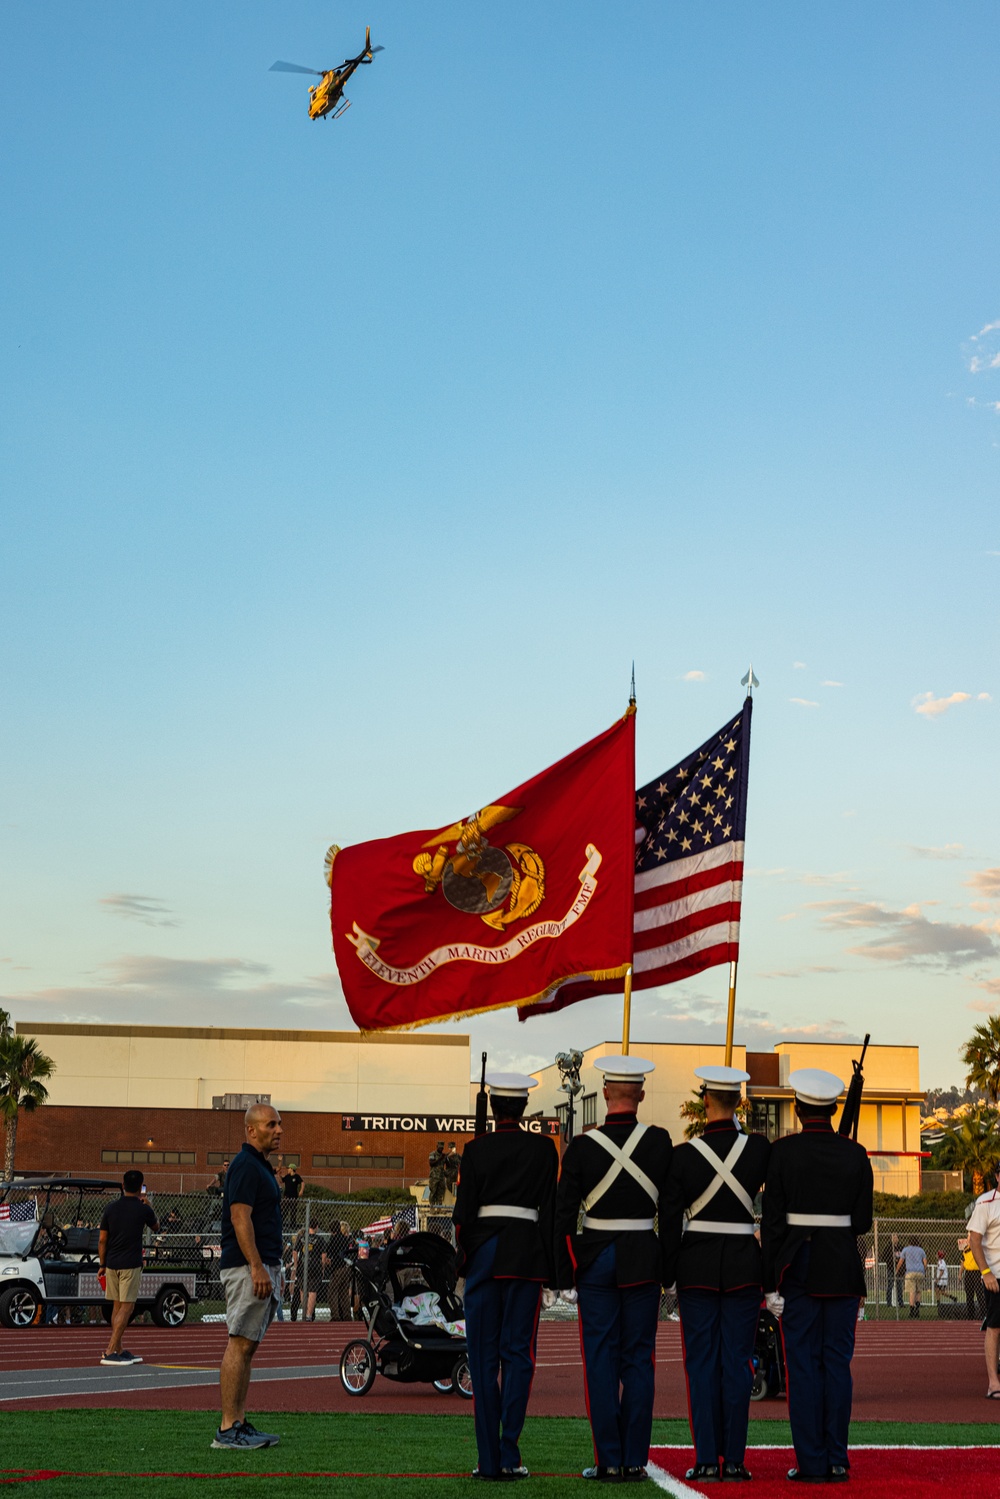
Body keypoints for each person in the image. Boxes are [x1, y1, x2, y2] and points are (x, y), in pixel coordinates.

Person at [555, 1055, 673, 1483]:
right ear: (640, 1095)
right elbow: (671, 1208)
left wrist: (565, 1273)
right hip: (643, 1255)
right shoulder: (659, 1142)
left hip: (596, 1259)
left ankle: (607, 1460)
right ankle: (634, 1460)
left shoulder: (584, 1147)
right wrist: (669, 1264)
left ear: (605, 1094)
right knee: (639, 1360)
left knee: (600, 1360)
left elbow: (563, 1213)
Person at [761, 1068, 874, 1484]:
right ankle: (837, 1459)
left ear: (797, 1106)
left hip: (798, 1269)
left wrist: (769, 1283)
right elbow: (861, 1222)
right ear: (833, 1108)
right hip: (842, 1268)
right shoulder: (855, 1153)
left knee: (803, 1368)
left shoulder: (783, 1152)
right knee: (836, 1366)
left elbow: (772, 1224)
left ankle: (810, 1463)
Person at [661, 1065, 770, 1483]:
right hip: (745, 1268)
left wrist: (668, 1270)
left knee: (701, 1365)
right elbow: (772, 1213)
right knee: (738, 1364)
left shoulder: (684, 1155)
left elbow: (669, 1216)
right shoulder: (759, 1150)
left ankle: (707, 1459)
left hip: (697, 1269)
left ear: (705, 1101)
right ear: (739, 1103)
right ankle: (737, 1460)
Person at [453, 1070, 558, 1481]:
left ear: (495, 1108)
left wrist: (467, 1260)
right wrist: (551, 1272)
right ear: (524, 1107)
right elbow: (549, 1214)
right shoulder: (545, 1150)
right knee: (519, 1356)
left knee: (482, 1359)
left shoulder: (475, 1150)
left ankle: (488, 1460)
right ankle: (510, 1452)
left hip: (485, 1257)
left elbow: (462, 1219)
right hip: (527, 1258)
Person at [213, 1102, 285, 1451]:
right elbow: (240, 1218)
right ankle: (228, 1428)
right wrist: (256, 1265)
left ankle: (239, 1422)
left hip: (260, 1264)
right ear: (251, 1130)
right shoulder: (245, 1165)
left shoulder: (259, 1166)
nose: (279, 1130)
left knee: (247, 1347)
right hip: (246, 1268)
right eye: (271, 1124)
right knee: (239, 1344)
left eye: (279, 1124)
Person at [98, 1169, 158, 1365]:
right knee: (128, 1306)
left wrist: (102, 1263)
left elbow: (102, 1240)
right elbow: (156, 1227)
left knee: (117, 1305)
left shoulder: (110, 1208)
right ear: (141, 1187)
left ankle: (119, 1348)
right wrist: (149, 1205)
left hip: (112, 1262)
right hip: (130, 1263)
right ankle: (109, 1350)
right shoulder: (143, 1209)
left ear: (123, 1185)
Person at [966, 1179, 1000, 1398]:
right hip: (996, 1276)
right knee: (995, 1327)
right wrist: (985, 1272)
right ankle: (993, 1383)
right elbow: (974, 1239)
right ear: (998, 1177)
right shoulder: (986, 1202)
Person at [896, 1240, 927, 1318]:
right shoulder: (921, 1250)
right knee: (918, 1291)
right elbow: (925, 1262)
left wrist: (896, 1270)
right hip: (920, 1271)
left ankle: (912, 1310)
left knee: (912, 1291)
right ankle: (917, 1309)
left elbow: (901, 1261)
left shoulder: (906, 1249)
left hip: (910, 1272)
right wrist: (924, 1270)